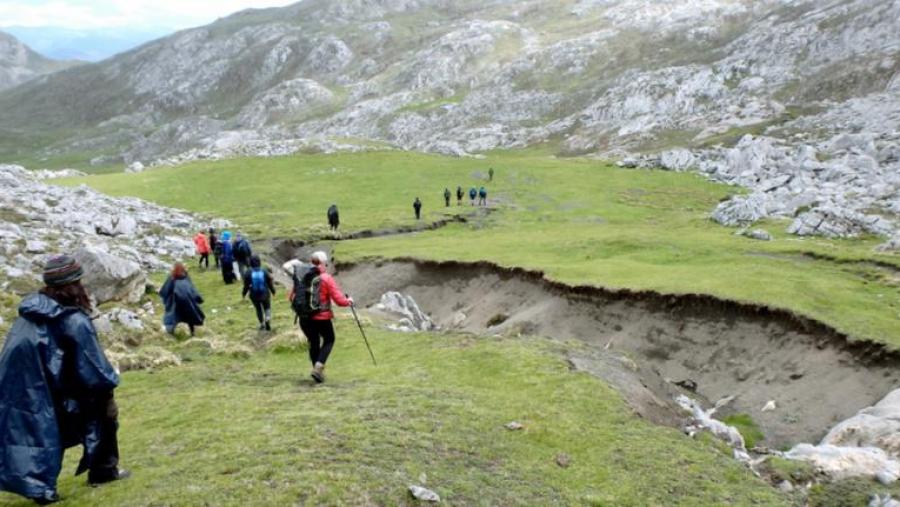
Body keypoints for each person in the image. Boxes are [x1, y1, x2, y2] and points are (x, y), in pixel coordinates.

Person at [0, 255, 129, 505]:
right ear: (74, 284)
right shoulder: (73, 319)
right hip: (51, 388)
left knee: (35, 433)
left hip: (25, 388)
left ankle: (39, 487)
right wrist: (108, 395)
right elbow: (95, 370)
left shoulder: (28, 314)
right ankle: (102, 471)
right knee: (104, 417)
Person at [290, 251, 353, 383]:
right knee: (329, 339)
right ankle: (318, 368)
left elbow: (292, 297)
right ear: (323, 263)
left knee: (314, 342)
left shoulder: (302, 275)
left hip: (304, 318)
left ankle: (316, 371)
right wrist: (349, 301)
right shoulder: (326, 278)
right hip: (321, 318)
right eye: (326, 263)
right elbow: (340, 301)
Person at [158, 263, 205, 337]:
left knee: (173, 316)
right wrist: (198, 298)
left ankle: (170, 332)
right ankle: (192, 332)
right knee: (190, 316)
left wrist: (164, 297)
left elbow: (166, 289)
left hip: (176, 301)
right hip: (187, 301)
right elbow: (192, 288)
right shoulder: (186, 277)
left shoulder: (172, 277)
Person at [242, 255, 276, 331]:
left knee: (258, 309)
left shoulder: (248, 272)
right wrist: (273, 291)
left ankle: (262, 324)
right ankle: (267, 318)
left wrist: (244, 294)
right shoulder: (264, 270)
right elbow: (270, 282)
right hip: (265, 293)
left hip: (254, 295)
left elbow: (246, 286)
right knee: (267, 307)